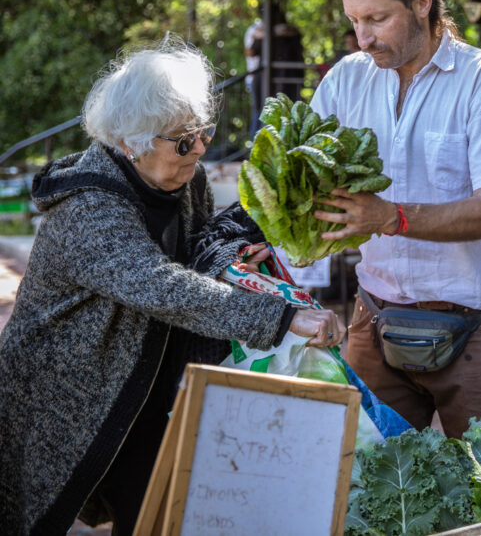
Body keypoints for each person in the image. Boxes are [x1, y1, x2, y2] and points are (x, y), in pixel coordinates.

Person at [0, 39, 343, 535]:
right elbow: (164, 287)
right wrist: (282, 318)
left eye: (202, 132)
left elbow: (200, 252)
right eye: (183, 141)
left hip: (141, 388)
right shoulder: (87, 207)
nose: (200, 149)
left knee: (157, 514)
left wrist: (234, 257)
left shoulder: (187, 180)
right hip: (61, 400)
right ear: (130, 143)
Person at [309, 0, 481, 437]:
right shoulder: (346, 80)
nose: (362, 38)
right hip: (374, 321)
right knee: (365, 487)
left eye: (376, 19)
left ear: (422, 3)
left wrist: (391, 217)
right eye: (354, 21)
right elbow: (303, 177)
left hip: (475, 327)